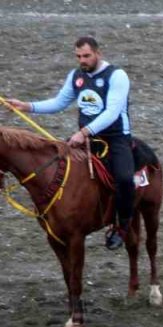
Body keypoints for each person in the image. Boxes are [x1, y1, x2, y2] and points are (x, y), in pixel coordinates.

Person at [5, 36, 135, 250]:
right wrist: (26, 106)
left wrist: (84, 132)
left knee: (124, 179)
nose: (82, 60)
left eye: (86, 56)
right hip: (84, 138)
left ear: (97, 53)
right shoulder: (76, 76)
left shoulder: (117, 76)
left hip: (115, 138)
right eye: (78, 56)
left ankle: (122, 226)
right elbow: (59, 102)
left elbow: (112, 112)